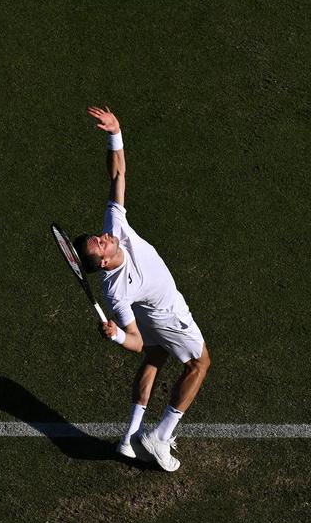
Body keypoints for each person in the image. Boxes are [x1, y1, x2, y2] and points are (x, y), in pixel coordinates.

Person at [74, 106, 211, 472]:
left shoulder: (114, 227)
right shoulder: (116, 293)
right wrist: (118, 336)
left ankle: (129, 438)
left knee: (155, 357)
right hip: (166, 313)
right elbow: (133, 340)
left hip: (150, 311)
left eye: (99, 237)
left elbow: (117, 173)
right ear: (102, 263)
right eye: (100, 245)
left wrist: (115, 132)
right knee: (199, 364)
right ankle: (161, 435)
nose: (104, 237)